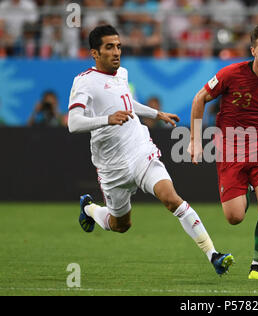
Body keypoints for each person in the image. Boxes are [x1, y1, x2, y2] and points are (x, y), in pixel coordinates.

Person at [67, 25, 234, 276]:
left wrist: (157, 113)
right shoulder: (84, 82)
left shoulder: (121, 74)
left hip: (139, 149)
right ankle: (90, 208)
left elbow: (126, 101)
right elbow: (74, 122)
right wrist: (107, 119)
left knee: (171, 198)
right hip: (111, 165)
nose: (116, 52)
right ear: (94, 53)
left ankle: (214, 255)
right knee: (121, 225)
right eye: (109, 47)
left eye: (119, 46)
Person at [188, 22, 258, 280]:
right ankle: (245, 187)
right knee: (234, 217)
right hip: (230, 150)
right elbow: (199, 98)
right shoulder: (231, 74)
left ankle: (257, 266)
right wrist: (194, 139)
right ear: (253, 51)